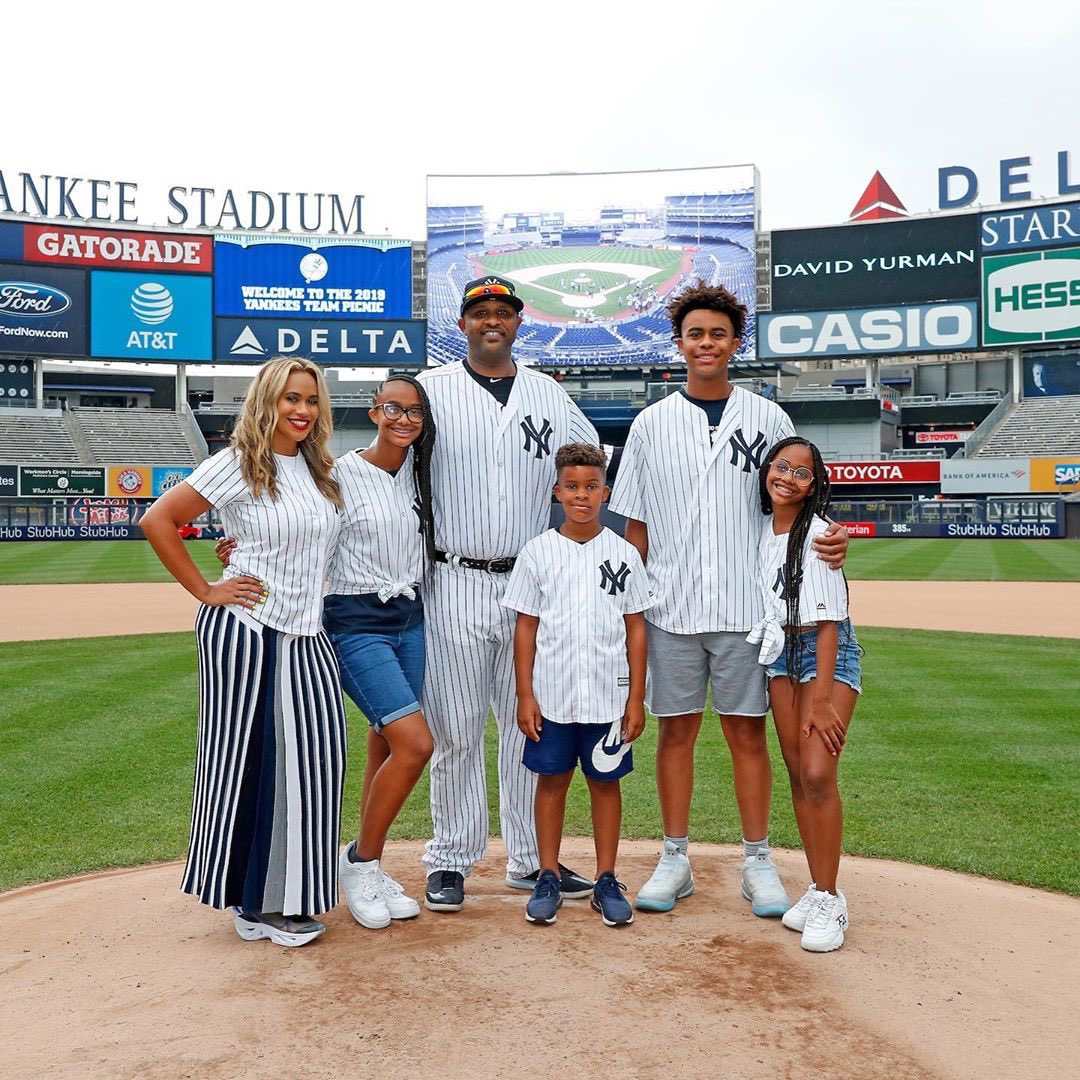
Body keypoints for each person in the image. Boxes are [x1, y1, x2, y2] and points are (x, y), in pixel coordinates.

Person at [608, 281, 848, 917]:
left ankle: (758, 859)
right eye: (695, 333)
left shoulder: (769, 418)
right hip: (671, 606)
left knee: (748, 737)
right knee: (675, 734)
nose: (706, 343)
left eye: (717, 333)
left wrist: (833, 538)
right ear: (679, 343)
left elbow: (798, 498)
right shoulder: (650, 423)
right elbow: (634, 525)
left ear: (735, 343)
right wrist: (635, 600)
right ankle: (674, 856)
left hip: (750, 613)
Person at [217, 376, 438, 931]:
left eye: (414, 411)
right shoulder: (334, 473)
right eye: (393, 408)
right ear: (374, 411)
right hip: (353, 620)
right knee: (415, 744)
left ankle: (371, 860)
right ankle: (359, 862)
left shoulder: (423, 474)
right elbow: (293, 531)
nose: (403, 419)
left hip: (410, 617)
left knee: (387, 741)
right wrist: (237, 550)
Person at [140, 357, 345, 948]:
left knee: (315, 760)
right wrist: (206, 587)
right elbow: (159, 519)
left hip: (306, 631)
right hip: (248, 629)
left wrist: (240, 549)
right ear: (266, 402)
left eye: (310, 399)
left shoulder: (318, 470)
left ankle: (277, 893)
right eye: (290, 398)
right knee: (251, 762)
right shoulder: (236, 463)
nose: (302, 410)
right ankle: (258, 903)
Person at [417, 276, 599, 913]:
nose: (492, 321)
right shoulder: (429, 391)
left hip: (530, 584)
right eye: (480, 312)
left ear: (519, 323)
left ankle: (530, 860)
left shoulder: (547, 393)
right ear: (463, 323)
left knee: (530, 727)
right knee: (457, 730)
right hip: (454, 580)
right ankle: (450, 858)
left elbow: (590, 464)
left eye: (504, 312)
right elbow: (382, 466)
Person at [501, 443, 653, 927]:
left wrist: (635, 698)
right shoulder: (538, 552)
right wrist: (525, 694)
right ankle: (547, 873)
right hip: (553, 695)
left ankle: (606, 878)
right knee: (552, 781)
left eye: (591, 487)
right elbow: (525, 627)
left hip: (609, 695)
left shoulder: (624, 553)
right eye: (572, 486)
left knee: (605, 785)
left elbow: (635, 627)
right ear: (557, 491)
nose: (582, 496)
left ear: (605, 492)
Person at [747, 437, 861, 951]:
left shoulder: (817, 534)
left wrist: (821, 698)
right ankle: (816, 889)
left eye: (800, 473)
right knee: (797, 772)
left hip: (821, 653)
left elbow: (831, 622)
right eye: (781, 466)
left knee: (818, 772)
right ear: (767, 470)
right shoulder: (761, 530)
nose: (787, 477)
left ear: (814, 487)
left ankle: (832, 899)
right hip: (779, 656)